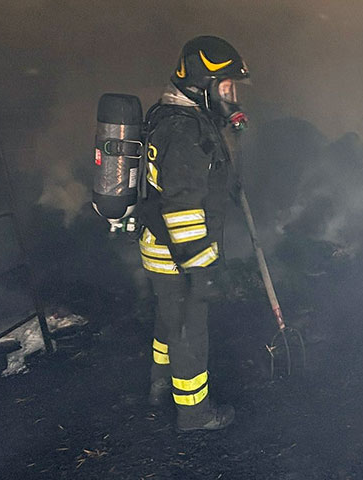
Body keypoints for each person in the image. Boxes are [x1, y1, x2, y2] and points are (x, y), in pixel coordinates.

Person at [141, 35, 249, 431]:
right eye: (225, 86)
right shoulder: (185, 133)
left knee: (169, 320)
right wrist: (201, 268)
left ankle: (158, 384)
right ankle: (194, 413)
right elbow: (182, 209)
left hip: (161, 249)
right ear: (201, 85)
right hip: (179, 255)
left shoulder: (176, 118)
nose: (232, 95)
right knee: (189, 329)